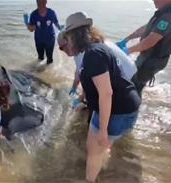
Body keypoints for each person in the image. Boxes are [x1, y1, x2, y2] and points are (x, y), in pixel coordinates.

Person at [63, 12, 141, 182]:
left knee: (94, 149)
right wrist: (82, 96)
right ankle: (104, 162)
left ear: (74, 36)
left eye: (68, 37)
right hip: (125, 105)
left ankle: (90, 179)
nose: (67, 42)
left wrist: (104, 130)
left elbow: (106, 93)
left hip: (117, 110)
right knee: (100, 146)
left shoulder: (93, 55)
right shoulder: (96, 48)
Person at [117, 0, 171, 95]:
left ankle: (132, 108)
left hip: (152, 60)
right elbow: (147, 27)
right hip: (147, 57)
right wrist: (127, 39)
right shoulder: (163, 12)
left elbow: (151, 41)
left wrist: (128, 51)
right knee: (132, 80)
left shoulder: (169, 16)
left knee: (135, 86)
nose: (153, 0)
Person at [26, 0, 61, 65]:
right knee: (40, 58)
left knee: (49, 58)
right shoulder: (34, 14)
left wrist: (63, 31)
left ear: (45, 2)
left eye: (42, 2)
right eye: (38, 2)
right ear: (36, 2)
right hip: (39, 39)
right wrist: (29, 27)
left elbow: (56, 24)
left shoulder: (51, 12)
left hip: (50, 39)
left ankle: (49, 72)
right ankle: (40, 71)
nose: (40, 4)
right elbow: (31, 29)